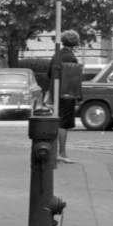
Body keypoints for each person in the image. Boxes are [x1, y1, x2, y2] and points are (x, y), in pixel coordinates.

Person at [47, 30, 83, 161]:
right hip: (66, 94)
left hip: (55, 92)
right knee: (63, 123)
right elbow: (74, 80)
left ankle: (55, 152)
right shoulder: (71, 57)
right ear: (76, 43)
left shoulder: (56, 55)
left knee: (57, 121)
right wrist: (78, 98)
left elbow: (49, 75)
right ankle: (62, 154)